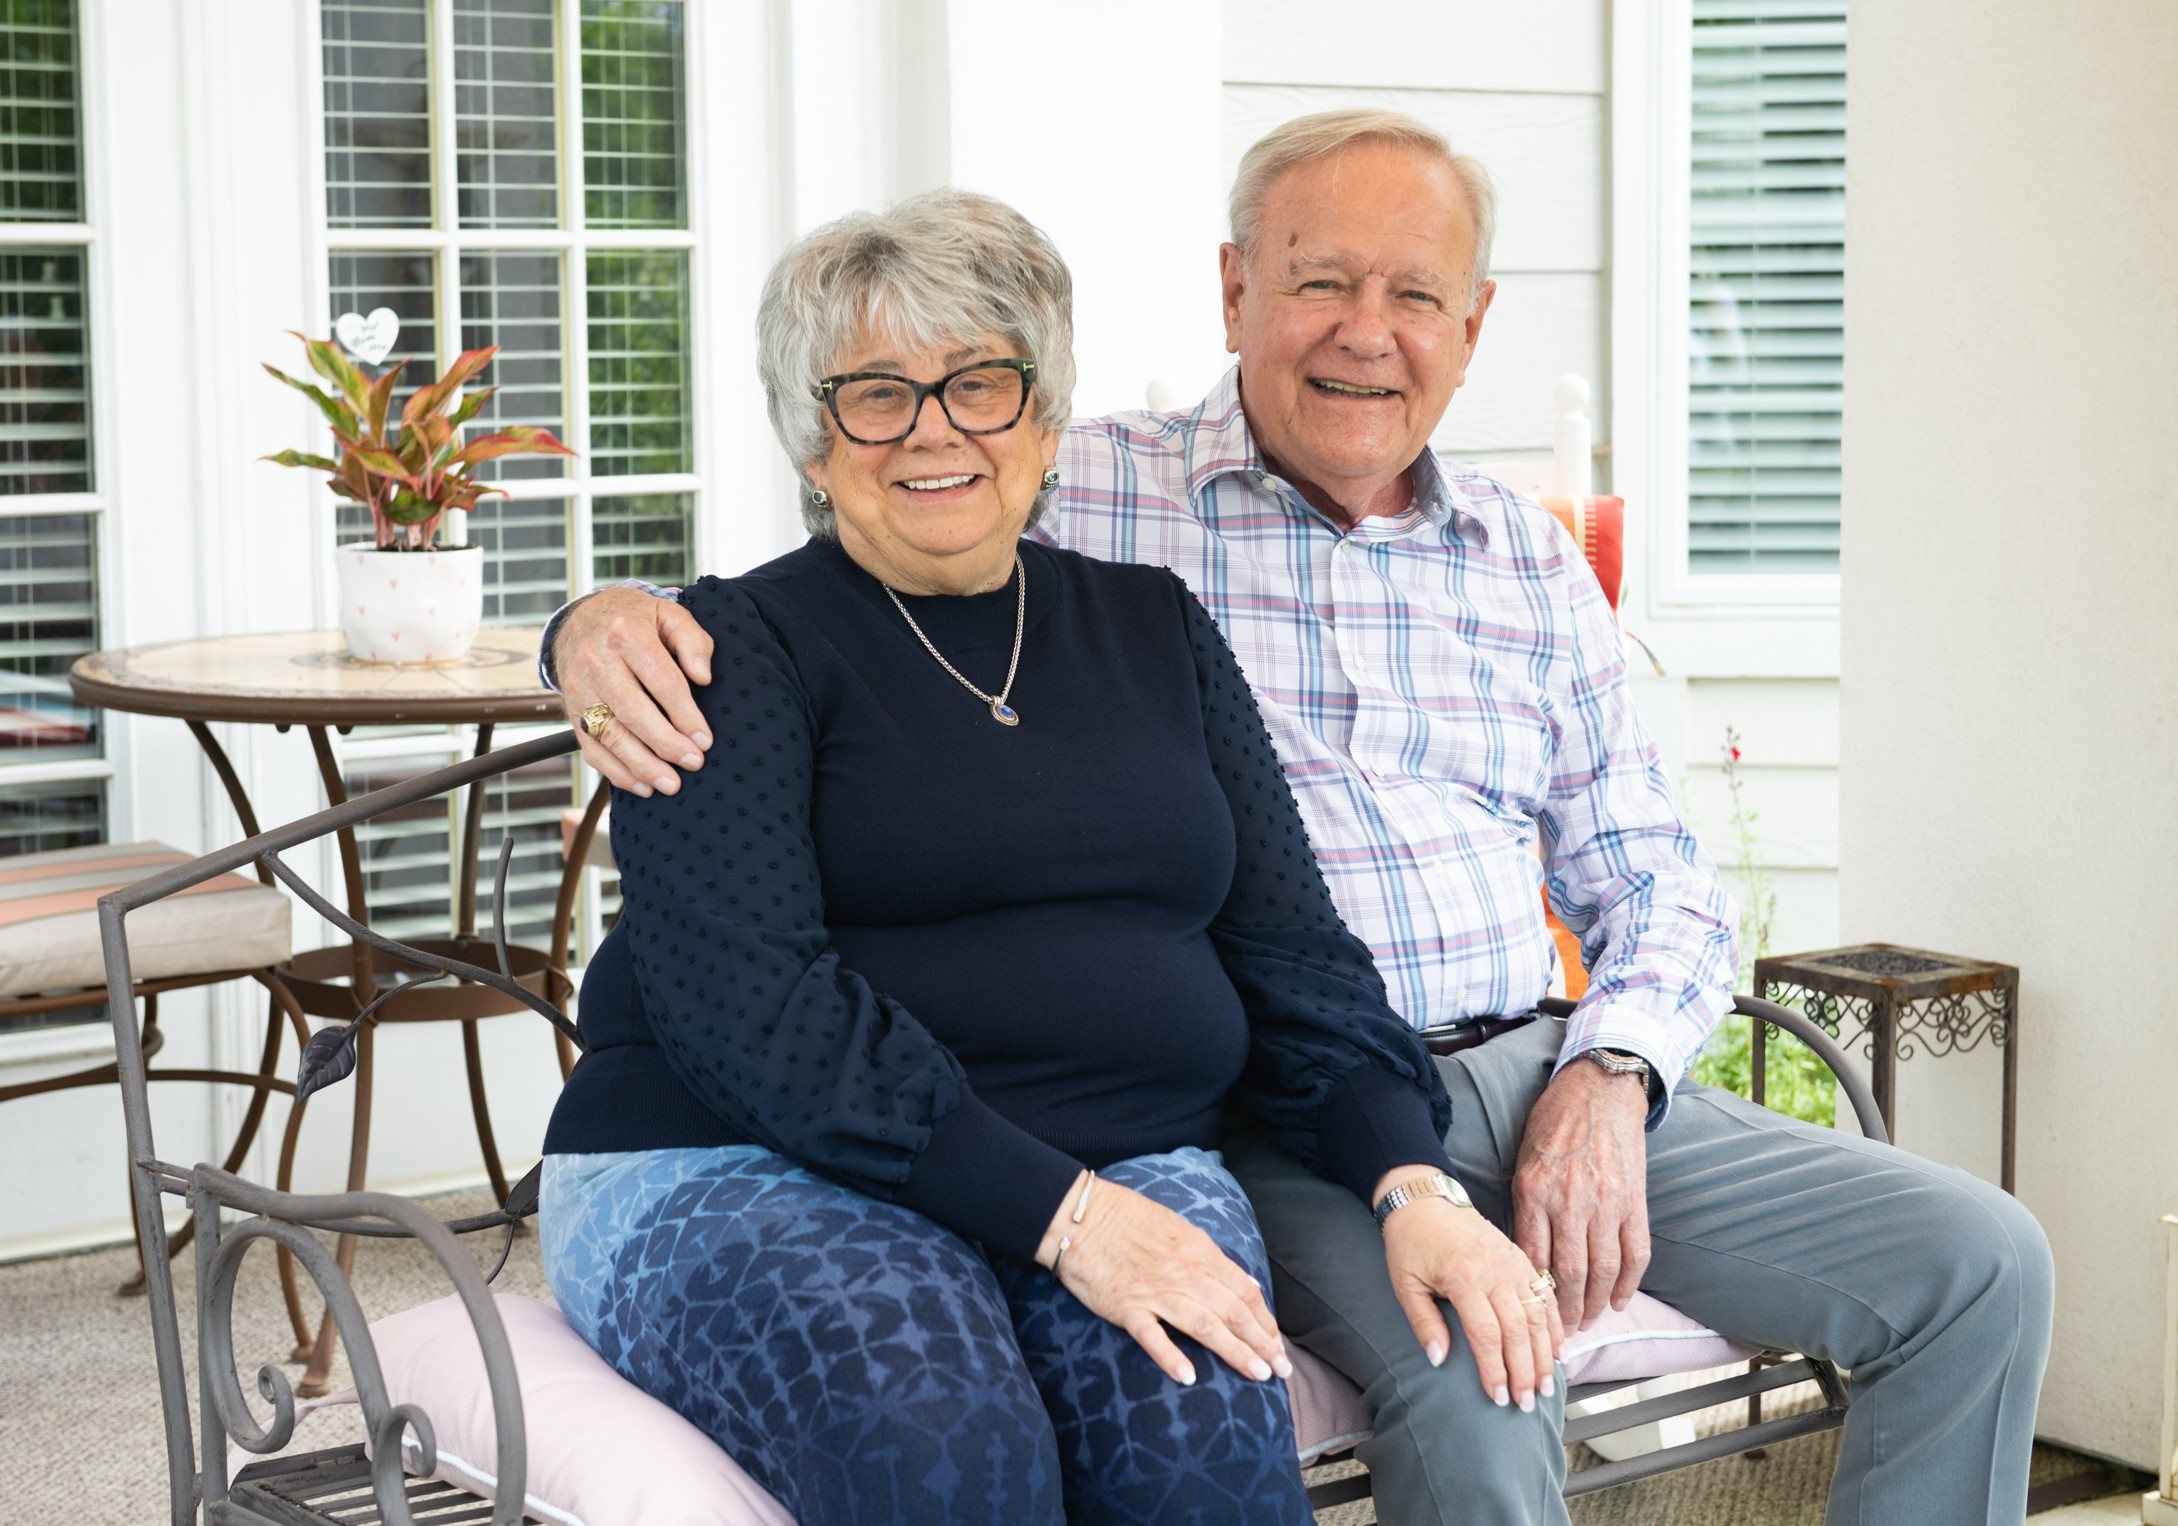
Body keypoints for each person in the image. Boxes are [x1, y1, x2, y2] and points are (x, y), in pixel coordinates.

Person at [546, 111, 2055, 1526]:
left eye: (1412, 293)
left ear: (1471, 328)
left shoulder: (1397, 578)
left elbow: (1624, 873)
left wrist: (1609, 1072)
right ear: (1232, 290)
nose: (1363, 330)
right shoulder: (1096, 498)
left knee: (1982, 1258)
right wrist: (588, 619)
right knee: (1415, 1384)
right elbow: (813, 632)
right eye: (1318, 279)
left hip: (1493, 1068)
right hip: (1239, 1112)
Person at [538, 186, 1565, 1526]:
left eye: (978, 383)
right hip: (740, 1159)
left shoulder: (1156, 629)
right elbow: (757, 1018)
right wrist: (1065, 1217)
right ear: (812, 432)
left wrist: (1406, 1176)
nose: (932, 432)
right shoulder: (725, 655)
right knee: (932, 1427)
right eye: (875, 394)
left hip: (1125, 1148)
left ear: (1041, 413)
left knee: (1197, 1412)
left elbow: (1294, 957)